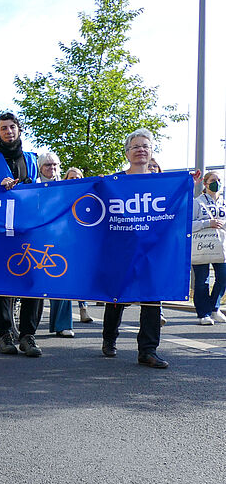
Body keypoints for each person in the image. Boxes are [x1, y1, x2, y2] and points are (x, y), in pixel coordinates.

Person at [0, 113, 43, 357]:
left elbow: (42, 193)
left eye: (12, 127)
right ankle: (4, 334)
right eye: (3, 128)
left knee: (33, 280)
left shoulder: (32, 159)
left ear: (19, 130)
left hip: (27, 229)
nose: (8, 131)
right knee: (0, 281)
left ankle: (28, 335)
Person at [100, 129, 168, 368]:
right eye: (135, 146)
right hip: (121, 251)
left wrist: (188, 184)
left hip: (150, 252)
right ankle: (109, 338)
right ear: (127, 153)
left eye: (145, 146)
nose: (141, 150)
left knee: (152, 297)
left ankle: (148, 350)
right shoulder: (114, 182)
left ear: (151, 152)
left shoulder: (160, 184)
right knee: (117, 297)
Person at [38, 152, 74, 339]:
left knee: (61, 279)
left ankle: (63, 324)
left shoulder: (66, 187)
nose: (52, 168)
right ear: (40, 168)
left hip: (61, 238)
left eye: (55, 165)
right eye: (47, 165)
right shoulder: (33, 185)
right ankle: (28, 326)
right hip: (37, 237)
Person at [191, 171, 226, 325]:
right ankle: (203, 313)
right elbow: (187, 224)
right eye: (212, 180)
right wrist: (207, 223)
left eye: (219, 180)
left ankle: (214, 307)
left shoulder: (223, 203)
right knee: (202, 280)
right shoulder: (197, 202)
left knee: (223, 276)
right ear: (205, 184)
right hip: (201, 245)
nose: (216, 183)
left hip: (221, 245)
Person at [63, 167, 93, 323]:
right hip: (65, 241)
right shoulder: (61, 195)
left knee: (81, 276)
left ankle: (83, 309)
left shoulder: (88, 196)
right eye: (71, 178)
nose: (75, 180)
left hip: (81, 241)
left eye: (78, 177)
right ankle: (63, 317)